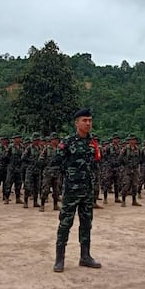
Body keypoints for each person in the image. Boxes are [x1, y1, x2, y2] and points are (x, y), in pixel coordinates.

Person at [52, 108, 102, 273]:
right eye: (84, 120)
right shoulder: (67, 142)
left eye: (90, 120)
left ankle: (85, 256)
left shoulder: (92, 142)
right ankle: (60, 259)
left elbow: (95, 164)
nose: (88, 123)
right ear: (77, 123)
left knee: (86, 224)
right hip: (71, 192)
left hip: (87, 191)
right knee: (65, 224)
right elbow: (55, 163)